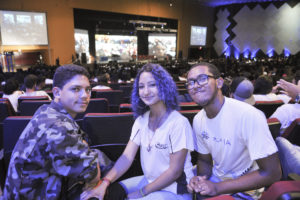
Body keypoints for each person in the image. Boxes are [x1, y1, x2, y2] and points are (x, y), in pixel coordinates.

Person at [81, 63, 194, 200]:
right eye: (141, 86)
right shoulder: (141, 120)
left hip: (176, 189)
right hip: (149, 181)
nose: (146, 91)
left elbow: (174, 172)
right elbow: (126, 157)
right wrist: (105, 182)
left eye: (152, 85)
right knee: (110, 192)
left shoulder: (178, 123)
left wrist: (141, 192)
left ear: (165, 86)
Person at [4, 64, 101, 199]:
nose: (85, 95)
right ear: (56, 92)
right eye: (76, 89)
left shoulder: (46, 110)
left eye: (88, 89)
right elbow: (93, 173)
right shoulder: (58, 126)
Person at [186, 62, 281, 199]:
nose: (195, 85)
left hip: (246, 189)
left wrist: (218, 188)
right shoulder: (198, 119)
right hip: (217, 180)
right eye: (190, 82)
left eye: (202, 79)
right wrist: (201, 180)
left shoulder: (248, 115)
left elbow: (272, 173)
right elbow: (204, 161)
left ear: (219, 83)